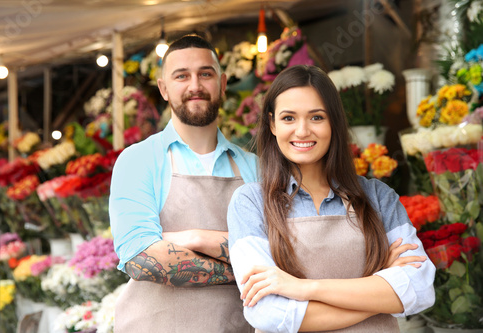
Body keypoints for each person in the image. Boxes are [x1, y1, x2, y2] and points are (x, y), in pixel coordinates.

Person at [227, 65, 436, 333]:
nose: (302, 131)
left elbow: (420, 288)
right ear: (272, 124)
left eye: (316, 118)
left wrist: (302, 288)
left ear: (334, 122)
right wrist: (381, 290)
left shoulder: (378, 196)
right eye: (289, 118)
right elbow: (268, 312)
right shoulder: (250, 202)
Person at [109, 34, 258, 332]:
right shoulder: (138, 160)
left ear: (223, 83)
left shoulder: (256, 166)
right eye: (182, 76)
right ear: (163, 89)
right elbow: (142, 259)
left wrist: (193, 238)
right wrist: (245, 270)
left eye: (206, 74)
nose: (195, 86)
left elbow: (278, 247)